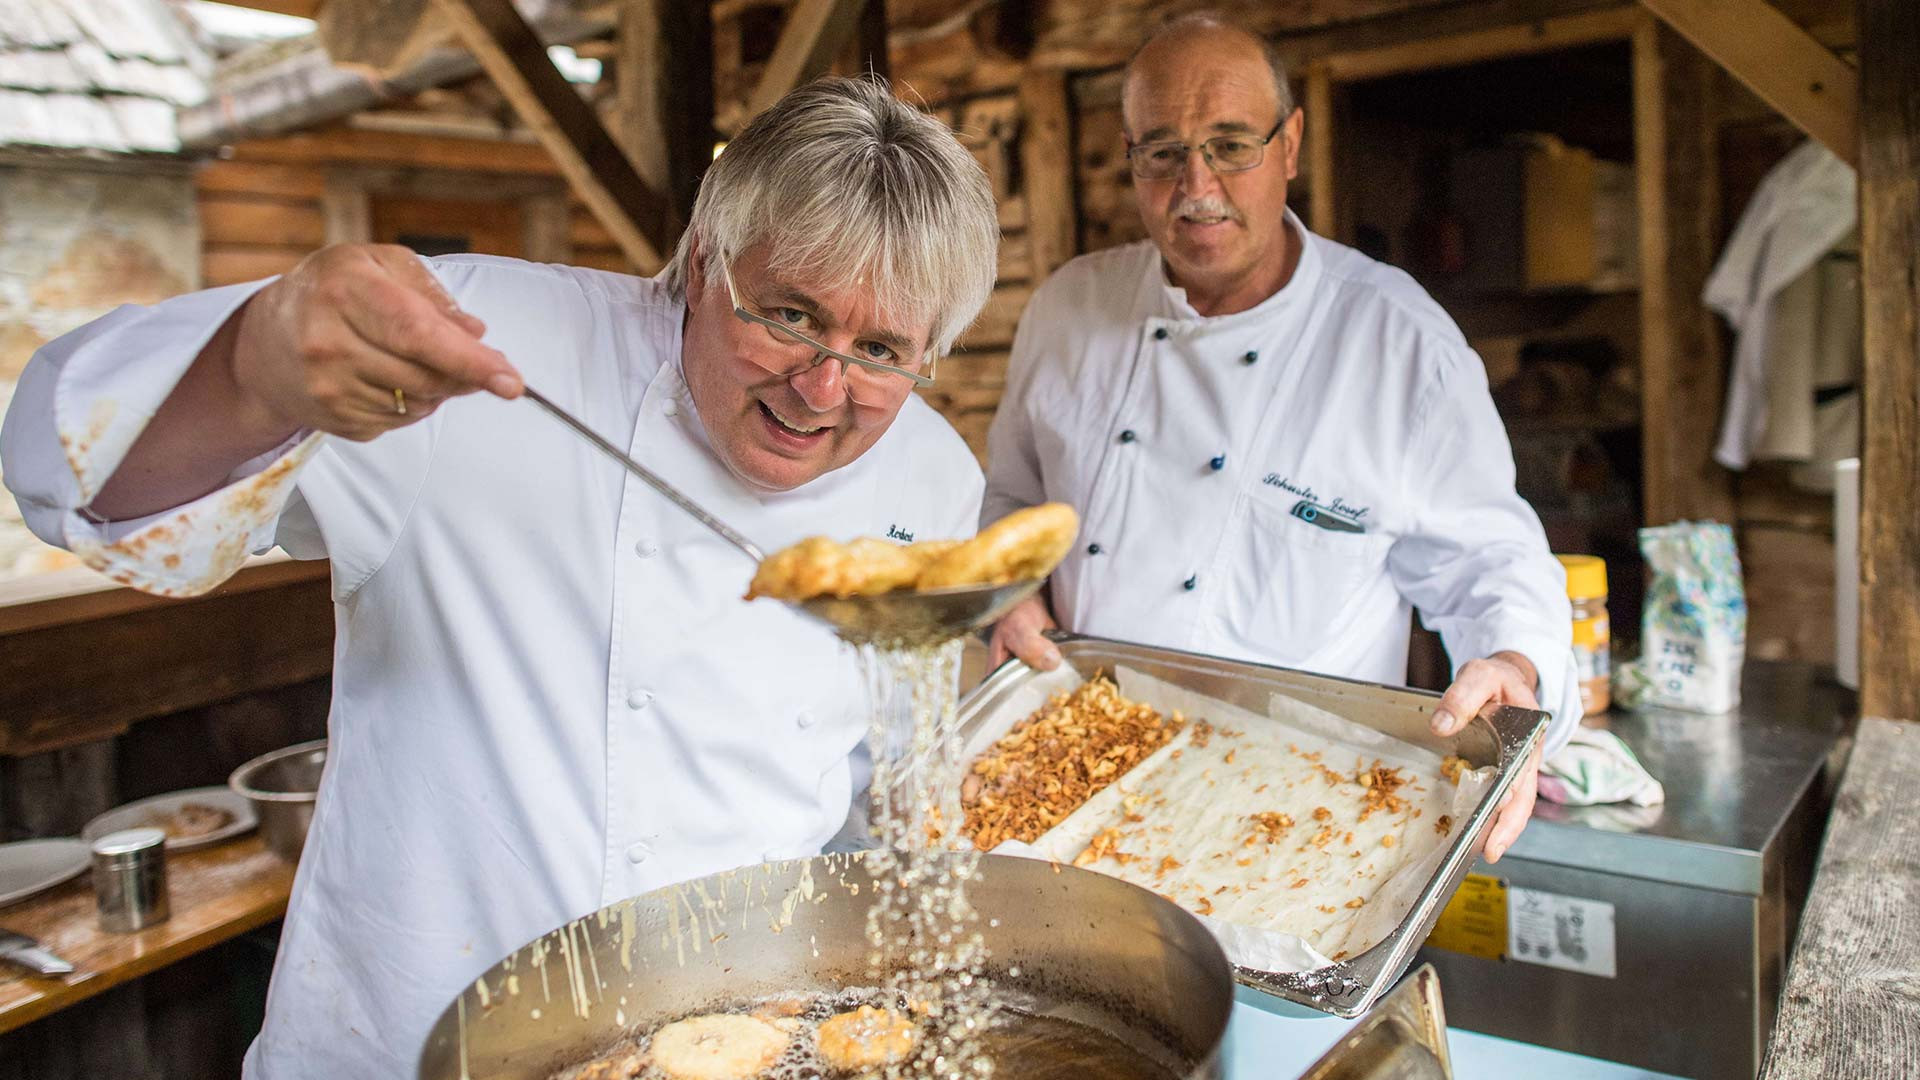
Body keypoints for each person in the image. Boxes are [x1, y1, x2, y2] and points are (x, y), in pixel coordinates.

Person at [2, 77, 999, 1078]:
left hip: (733, 1047)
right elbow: (66, 463)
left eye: (879, 350)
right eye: (788, 315)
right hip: (409, 1042)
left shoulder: (935, 477)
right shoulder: (474, 350)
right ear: (703, 262)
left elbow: (881, 789)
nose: (822, 387)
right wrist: (253, 371)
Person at [982, 14, 1581, 862]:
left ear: (1290, 142)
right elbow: (1008, 497)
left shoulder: (1399, 342)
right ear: (1128, 154)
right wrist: (1005, 591)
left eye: (1231, 145)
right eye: (1162, 152)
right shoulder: (1069, 309)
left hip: (1299, 811)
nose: (1197, 186)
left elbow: (1492, 562)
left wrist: (1514, 670)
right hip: (1082, 789)